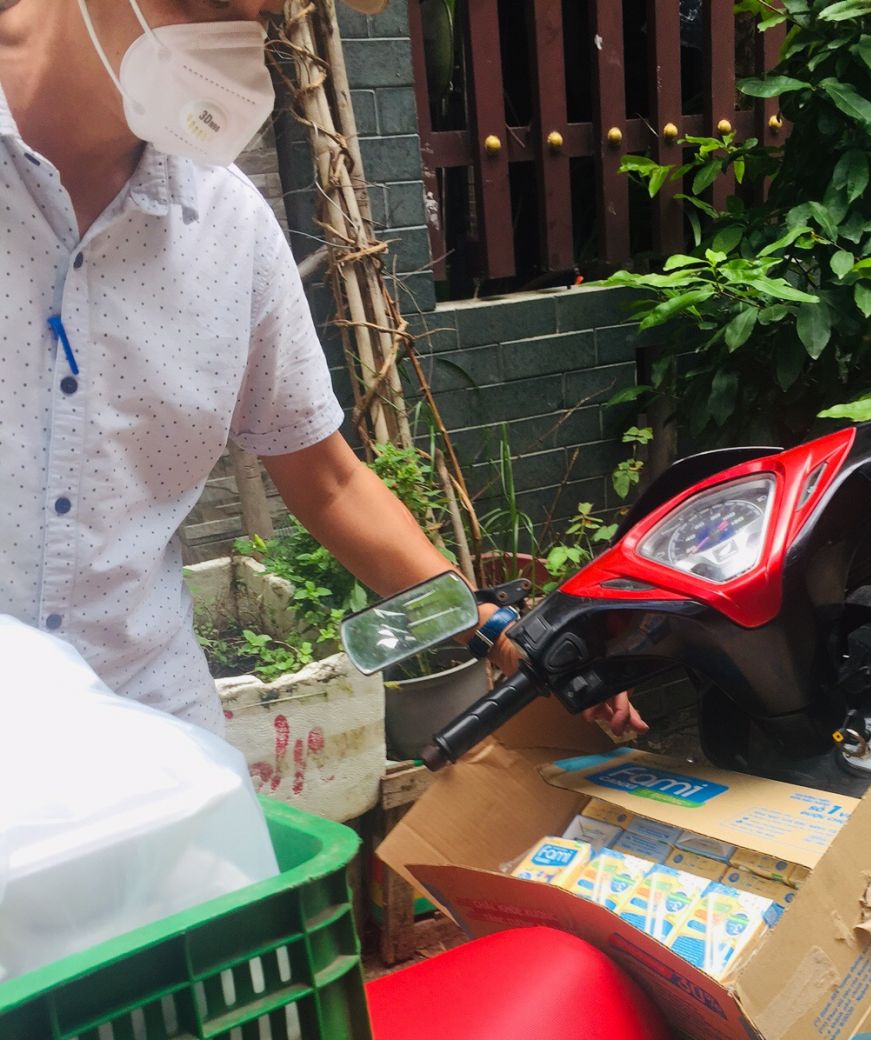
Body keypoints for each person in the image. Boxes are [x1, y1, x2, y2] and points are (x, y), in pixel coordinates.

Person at [0, 0, 646, 738]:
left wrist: (501, 632)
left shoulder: (228, 227)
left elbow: (328, 480)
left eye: (263, 16)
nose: (234, 43)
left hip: (149, 736)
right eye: (214, 4)